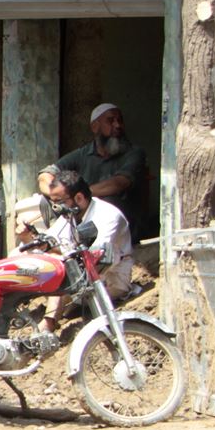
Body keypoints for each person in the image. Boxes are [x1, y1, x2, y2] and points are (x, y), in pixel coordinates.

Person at [50, 169, 135, 300]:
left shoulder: (108, 215)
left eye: (59, 202)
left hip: (109, 278)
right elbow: (50, 240)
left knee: (61, 278)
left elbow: (96, 256)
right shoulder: (70, 214)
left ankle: (49, 320)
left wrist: (56, 250)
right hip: (82, 277)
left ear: (79, 198)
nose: (56, 208)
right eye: (53, 203)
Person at [56, 103, 145, 218]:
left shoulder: (134, 153)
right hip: (82, 220)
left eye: (120, 121)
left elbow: (118, 183)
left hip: (118, 222)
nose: (117, 125)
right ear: (94, 126)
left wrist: (79, 195)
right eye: (110, 121)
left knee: (109, 201)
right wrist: (56, 193)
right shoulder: (83, 153)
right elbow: (48, 173)